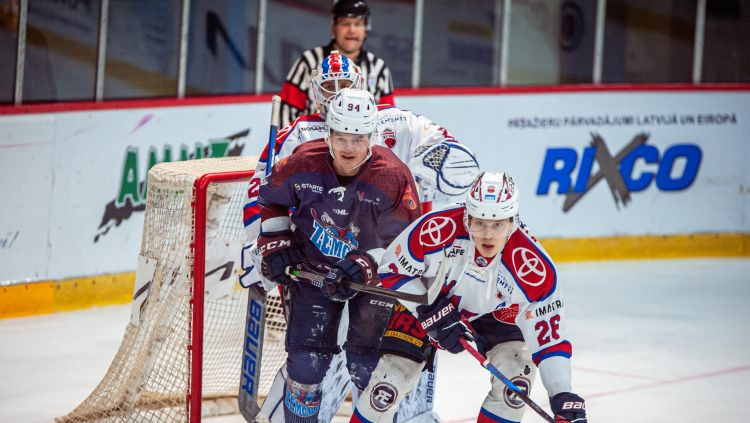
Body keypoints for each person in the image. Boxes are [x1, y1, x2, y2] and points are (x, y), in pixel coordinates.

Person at [243, 51, 479, 423]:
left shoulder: (400, 124)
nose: (338, 93)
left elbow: (450, 159)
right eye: (329, 88)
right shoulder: (300, 138)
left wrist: (446, 164)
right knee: (311, 362)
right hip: (318, 269)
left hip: (391, 270)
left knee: (389, 374)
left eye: (345, 85)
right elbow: (263, 195)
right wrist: (262, 251)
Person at [351, 171, 588, 423]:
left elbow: (550, 340)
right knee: (389, 382)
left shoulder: (533, 268)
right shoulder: (437, 226)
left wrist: (562, 393)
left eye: (498, 224)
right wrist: (429, 310)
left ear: (513, 221)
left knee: (516, 377)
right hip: (425, 301)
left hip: (493, 313)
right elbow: (392, 269)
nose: (488, 234)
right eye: (479, 223)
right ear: (467, 216)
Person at [256, 88, 423, 423]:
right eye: (341, 137)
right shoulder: (301, 162)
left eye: (358, 138)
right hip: (311, 270)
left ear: (372, 137)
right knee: (305, 363)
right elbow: (272, 200)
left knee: (367, 366)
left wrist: (363, 265)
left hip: (370, 282)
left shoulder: (392, 175)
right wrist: (276, 242)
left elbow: (405, 241)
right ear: (329, 133)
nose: (349, 148)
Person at [279, 0, 394, 127]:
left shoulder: (379, 69)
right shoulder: (308, 62)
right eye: (345, 23)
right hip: (313, 142)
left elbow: (386, 119)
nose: (352, 30)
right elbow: (286, 116)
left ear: (366, 29)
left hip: (359, 144)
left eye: (358, 24)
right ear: (333, 28)